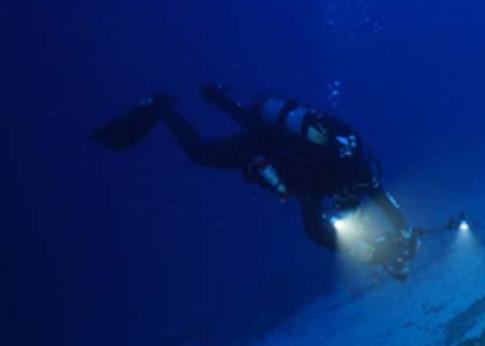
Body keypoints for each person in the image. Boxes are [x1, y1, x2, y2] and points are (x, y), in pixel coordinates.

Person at [92, 83, 419, 280]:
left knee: (203, 152)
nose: (348, 206)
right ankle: (162, 108)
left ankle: (166, 107)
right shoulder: (320, 178)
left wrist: (402, 232)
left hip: (273, 145)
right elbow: (316, 230)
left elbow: (381, 201)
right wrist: (372, 253)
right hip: (258, 148)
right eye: (348, 200)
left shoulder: (354, 173)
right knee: (199, 153)